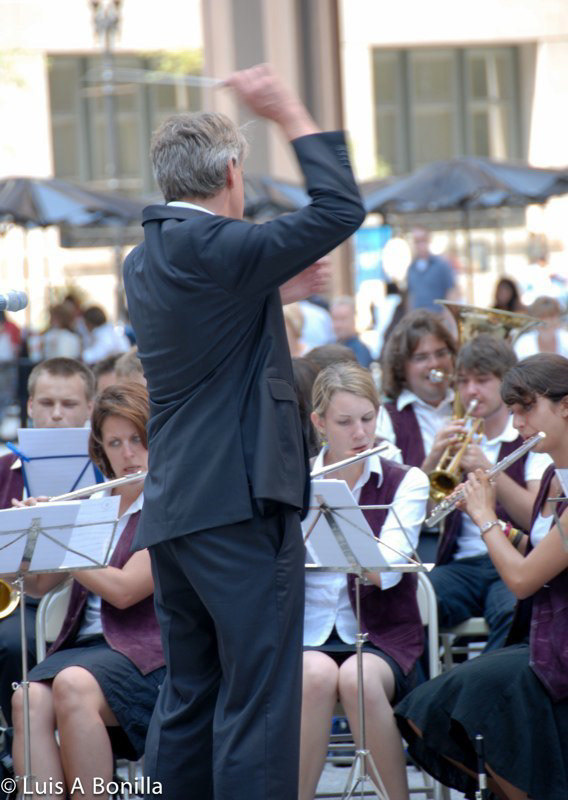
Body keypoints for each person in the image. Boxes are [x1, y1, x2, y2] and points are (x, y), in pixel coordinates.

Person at [122, 64, 365, 800]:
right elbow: (340, 206)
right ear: (232, 171)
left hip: (175, 506)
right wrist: (287, 108)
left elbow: (206, 332)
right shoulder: (225, 247)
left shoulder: (144, 258)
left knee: (191, 697)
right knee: (258, 701)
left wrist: (269, 290)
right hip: (237, 504)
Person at [396, 353, 568, 800]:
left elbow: (523, 581)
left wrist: (484, 516)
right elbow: (541, 550)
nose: (517, 423)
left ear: (565, 405)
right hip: (545, 637)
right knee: (427, 710)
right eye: (512, 411)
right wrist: (503, 529)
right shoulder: (554, 476)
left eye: (526, 408)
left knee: (469, 701)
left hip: (558, 646)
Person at [11, 382, 165, 800]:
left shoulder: (169, 506)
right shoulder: (96, 504)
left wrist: (61, 542)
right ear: (101, 449)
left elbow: (124, 591)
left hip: (149, 653)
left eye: (137, 439)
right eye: (114, 443)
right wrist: (31, 535)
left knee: (73, 685)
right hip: (86, 647)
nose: (128, 454)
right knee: (27, 700)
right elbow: (41, 586)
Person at [300, 362, 428, 800]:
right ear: (319, 423)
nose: (360, 433)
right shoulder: (293, 483)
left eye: (368, 419)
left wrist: (332, 510)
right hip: (305, 635)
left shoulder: (407, 480)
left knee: (357, 678)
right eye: (344, 422)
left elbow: (385, 571)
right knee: (315, 675)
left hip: (383, 634)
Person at [429, 335, 551, 650]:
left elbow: (535, 515)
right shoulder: (455, 437)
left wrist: (488, 468)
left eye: (482, 380)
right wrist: (432, 459)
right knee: (410, 601)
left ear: (505, 383)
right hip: (461, 565)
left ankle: (484, 679)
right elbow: (422, 515)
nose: (471, 391)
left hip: (514, 559)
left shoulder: (531, 439)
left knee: (513, 612)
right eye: (463, 381)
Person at [0, 357, 95, 726]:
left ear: (90, 408)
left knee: (13, 643)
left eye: (69, 404)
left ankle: (20, 737)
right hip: (15, 594)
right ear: (29, 406)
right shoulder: (3, 470)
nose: (56, 414)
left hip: (78, 600)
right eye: (46, 403)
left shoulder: (103, 473)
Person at [377, 310, 457, 471]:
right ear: (401, 367)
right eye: (421, 357)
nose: (434, 364)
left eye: (441, 353)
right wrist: (432, 461)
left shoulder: (472, 407)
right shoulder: (386, 418)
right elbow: (387, 484)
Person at [405, 227, 457, 312]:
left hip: (437, 316)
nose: (420, 245)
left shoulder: (441, 265)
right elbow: (411, 295)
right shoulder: (411, 269)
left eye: (423, 240)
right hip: (417, 317)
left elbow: (452, 291)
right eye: (417, 241)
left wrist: (448, 315)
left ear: (429, 240)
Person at [514, 295, 568, 360]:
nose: (547, 321)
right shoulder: (523, 343)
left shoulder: (566, 339)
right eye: (542, 317)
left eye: (551, 316)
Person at [330, 296, 373, 367]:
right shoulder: (330, 345)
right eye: (334, 319)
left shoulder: (359, 351)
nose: (338, 325)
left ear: (354, 319)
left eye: (343, 319)